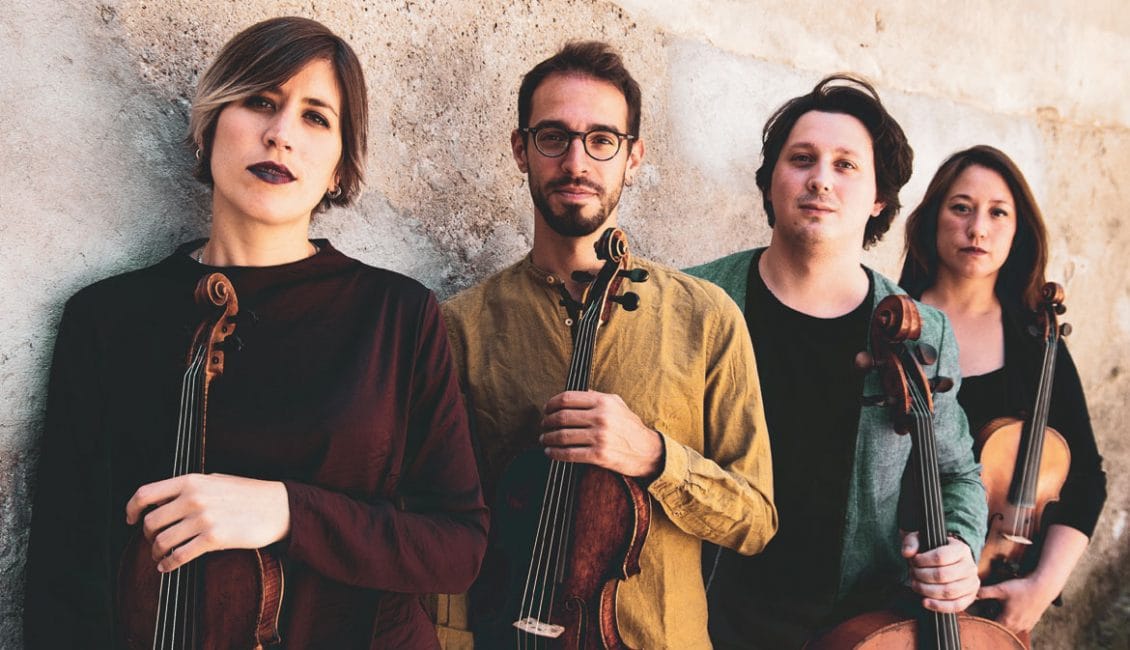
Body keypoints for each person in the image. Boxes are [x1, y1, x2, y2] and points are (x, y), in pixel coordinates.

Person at [23, 17, 486, 649]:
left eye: (315, 117)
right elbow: (63, 576)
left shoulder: (397, 315)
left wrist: (288, 511)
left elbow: (457, 548)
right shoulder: (106, 319)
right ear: (210, 126)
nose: (280, 134)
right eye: (261, 101)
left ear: (340, 169)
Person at [437, 41, 777, 649]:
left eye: (601, 140)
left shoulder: (705, 317)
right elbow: (444, 523)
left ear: (633, 156)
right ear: (520, 150)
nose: (576, 161)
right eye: (553, 137)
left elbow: (755, 520)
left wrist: (654, 456)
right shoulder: (461, 326)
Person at [686, 75, 987, 648]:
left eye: (846, 164)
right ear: (770, 182)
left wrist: (960, 547)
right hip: (701, 617)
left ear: (878, 199)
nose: (821, 179)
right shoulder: (693, 300)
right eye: (802, 159)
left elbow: (956, 474)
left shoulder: (924, 333)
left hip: (853, 629)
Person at [899, 144, 1107, 641]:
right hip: (895, 583)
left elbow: (1085, 480)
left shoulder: (1037, 342)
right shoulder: (895, 325)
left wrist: (1040, 588)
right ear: (932, 220)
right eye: (961, 207)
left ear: (1018, 230)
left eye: (997, 213)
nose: (978, 229)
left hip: (994, 598)